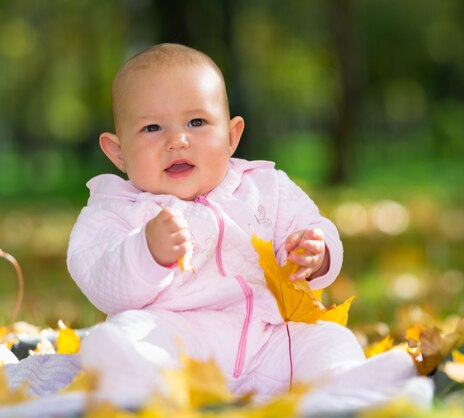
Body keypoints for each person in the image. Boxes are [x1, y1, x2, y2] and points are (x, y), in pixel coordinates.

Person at [66, 43, 425, 406]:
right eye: (152, 127)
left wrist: (318, 253)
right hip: (176, 341)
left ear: (232, 136)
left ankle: (342, 385)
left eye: (197, 122)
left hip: (268, 340)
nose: (177, 140)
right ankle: (136, 385)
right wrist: (146, 252)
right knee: (123, 338)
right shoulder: (116, 209)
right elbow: (99, 277)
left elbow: (313, 225)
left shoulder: (265, 189)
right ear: (117, 152)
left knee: (327, 338)